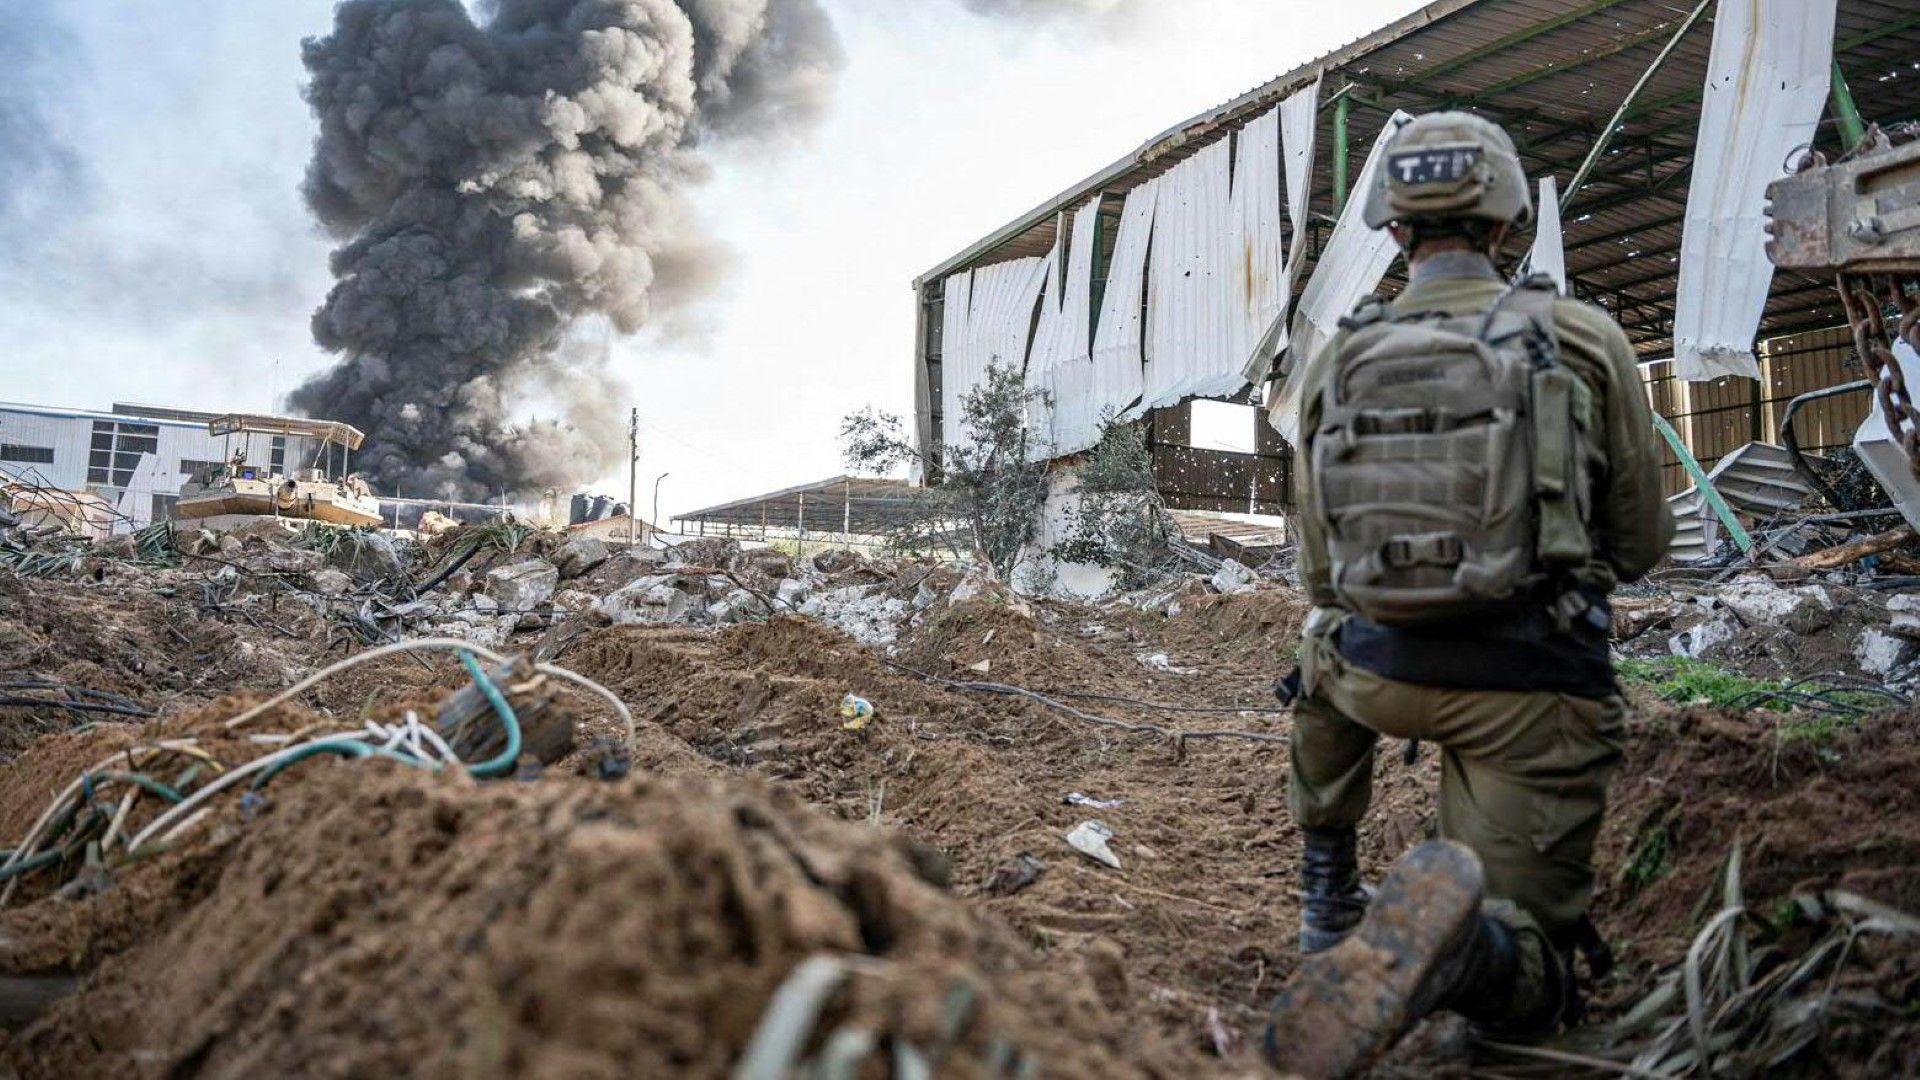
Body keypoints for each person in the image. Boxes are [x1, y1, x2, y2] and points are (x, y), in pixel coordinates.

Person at [1263, 110, 1673, 1076]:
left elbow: (1320, 574)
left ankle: (1329, 899)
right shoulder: (1580, 338)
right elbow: (1643, 545)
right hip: (1528, 693)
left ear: (1394, 230)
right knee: (1533, 984)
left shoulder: (1341, 357)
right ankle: (1469, 952)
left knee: (1317, 654)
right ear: (1507, 221)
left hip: (1369, 677)